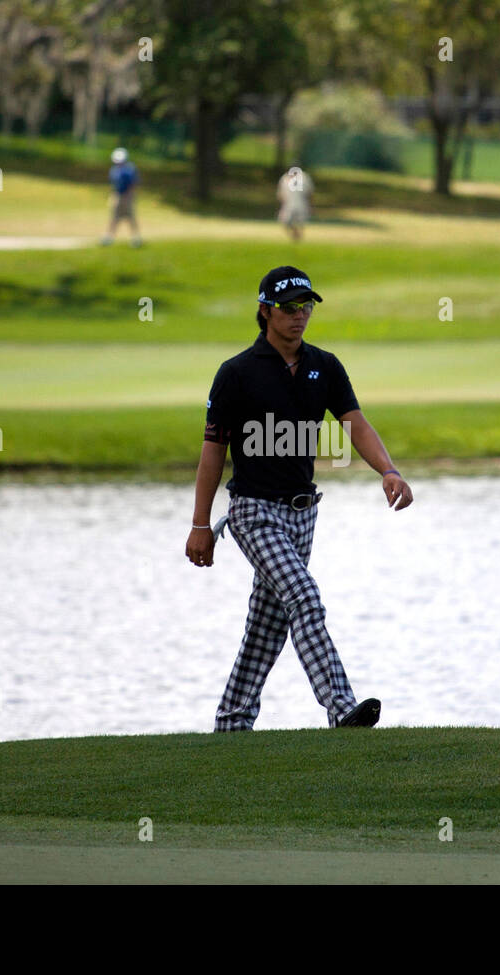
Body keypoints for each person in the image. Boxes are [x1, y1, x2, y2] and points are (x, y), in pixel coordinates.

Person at [186, 265, 414, 731]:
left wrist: (388, 470)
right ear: (265, 312)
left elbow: (355, 423)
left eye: (306, 306)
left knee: (267, 628)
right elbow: (213, 453)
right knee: (305, 597)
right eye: (289, 308)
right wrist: (200, 525)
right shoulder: (235, 374)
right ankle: (341, 708)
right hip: (253, 513)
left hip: (304, 515)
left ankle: (231, 723)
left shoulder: (323, 367)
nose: (299, 316)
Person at [100, 147, 141, 247]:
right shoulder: (114, 170)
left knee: (130, 217)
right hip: (117, 195)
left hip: (127, 196)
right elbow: (114, 184)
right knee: (114, 217)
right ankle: (109, 237)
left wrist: (128, 196)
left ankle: (135, 238)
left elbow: (133, 184)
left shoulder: (129, 169)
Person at [277, 166, 314, 241]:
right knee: (286, 221)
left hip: (299, 204)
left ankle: (297, 237)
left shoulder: (304, 177)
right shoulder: (286, 178)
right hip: (294, 204)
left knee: (299, 222)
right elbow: (310, 193)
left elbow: (310, 193)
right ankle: (296, 234)